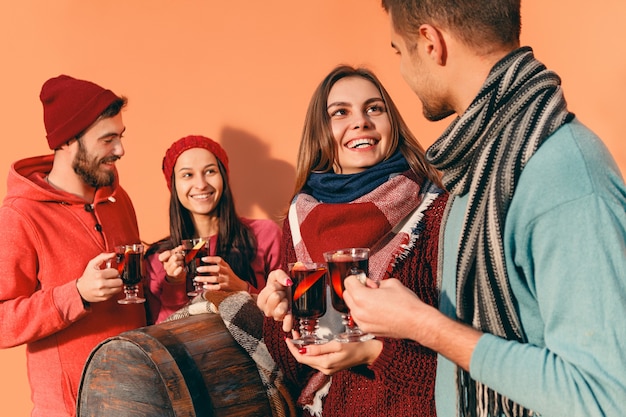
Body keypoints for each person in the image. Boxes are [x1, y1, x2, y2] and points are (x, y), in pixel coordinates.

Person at [343, 1, 626, 416]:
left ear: (430, 43)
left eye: (397, 51)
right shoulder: (475, 170)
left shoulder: (563, 173)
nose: (401, 70)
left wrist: (424, 325)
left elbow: (604, 397)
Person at [256, 65, 448, 416]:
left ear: (392, 123)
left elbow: (467, 361)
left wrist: (373, 353)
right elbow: (293, 369)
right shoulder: (301, 219)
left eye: (374, 108)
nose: (361, 121)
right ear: (321, 133)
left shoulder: (435, 211)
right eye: (340, 112)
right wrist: (278, 313)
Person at [0, 75, 146, 417]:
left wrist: (162, 272)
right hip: (71, 410)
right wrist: (76, 294)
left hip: (139, 399)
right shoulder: (20, 215)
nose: (120, 150)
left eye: (120, 137)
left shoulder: (117, 199)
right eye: (107, 139)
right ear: (67, 141)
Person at [144, 134, 282, 324]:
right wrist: (174, 286)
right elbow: (160, 341)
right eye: (187, 175)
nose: (201, 184)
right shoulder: (157, 259)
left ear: (223, 177)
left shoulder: (265, 235)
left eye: (210, 171)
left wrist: (242, 289)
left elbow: (286, 314)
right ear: (174, 185)